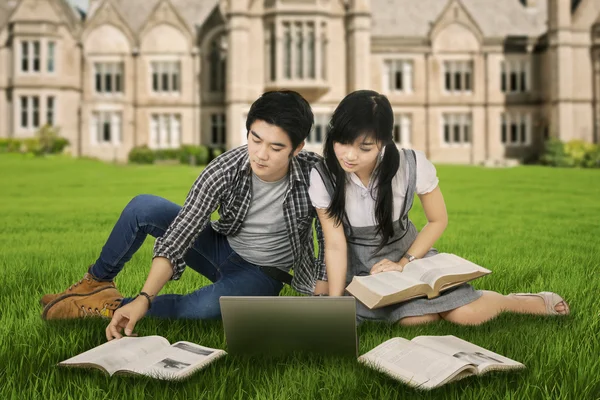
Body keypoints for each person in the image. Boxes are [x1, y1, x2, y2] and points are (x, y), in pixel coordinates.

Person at [40, 90, 328, 340]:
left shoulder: (314, 173)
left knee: (205, 309)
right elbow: (180, 234)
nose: (261, 154)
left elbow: (329, 234)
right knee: (144, 207)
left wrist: (323, 281)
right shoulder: (225, 169)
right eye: (255, 139)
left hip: (262, 274)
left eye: (276, 147)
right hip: (221, 246)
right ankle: (96, 283)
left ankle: (112, 306)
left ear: (297, 148)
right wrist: (146, 294)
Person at [309, 90, 570, 326]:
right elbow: (334, 244)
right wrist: (335, 306)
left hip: (410, 256)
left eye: (364, 147)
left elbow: (438, 220)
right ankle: (423, 308)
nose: (349, 155)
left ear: (384, 143)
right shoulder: (323, 176)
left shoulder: (411, 165)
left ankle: (516, 302)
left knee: (467, 316)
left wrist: (403, 263)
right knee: (418, 321)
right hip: (360, 266)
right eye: (342, 142)